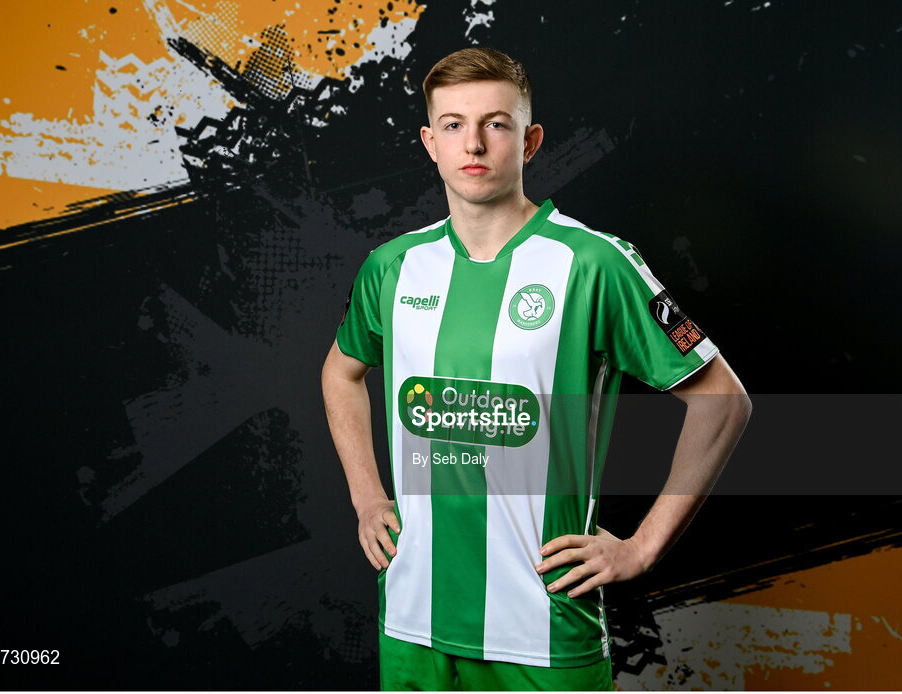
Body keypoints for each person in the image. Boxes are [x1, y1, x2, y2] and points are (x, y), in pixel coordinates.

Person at [321, 47, 752, 691]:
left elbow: (723, 400)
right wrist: (366, 496)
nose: (474, 143)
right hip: (412, 618)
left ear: (531, 140)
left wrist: (642, 547)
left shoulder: (593, 263)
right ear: (429, 142)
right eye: (453, 125)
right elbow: (340, 372)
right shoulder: (393, 267)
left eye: (496, 123)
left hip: (544, 627)